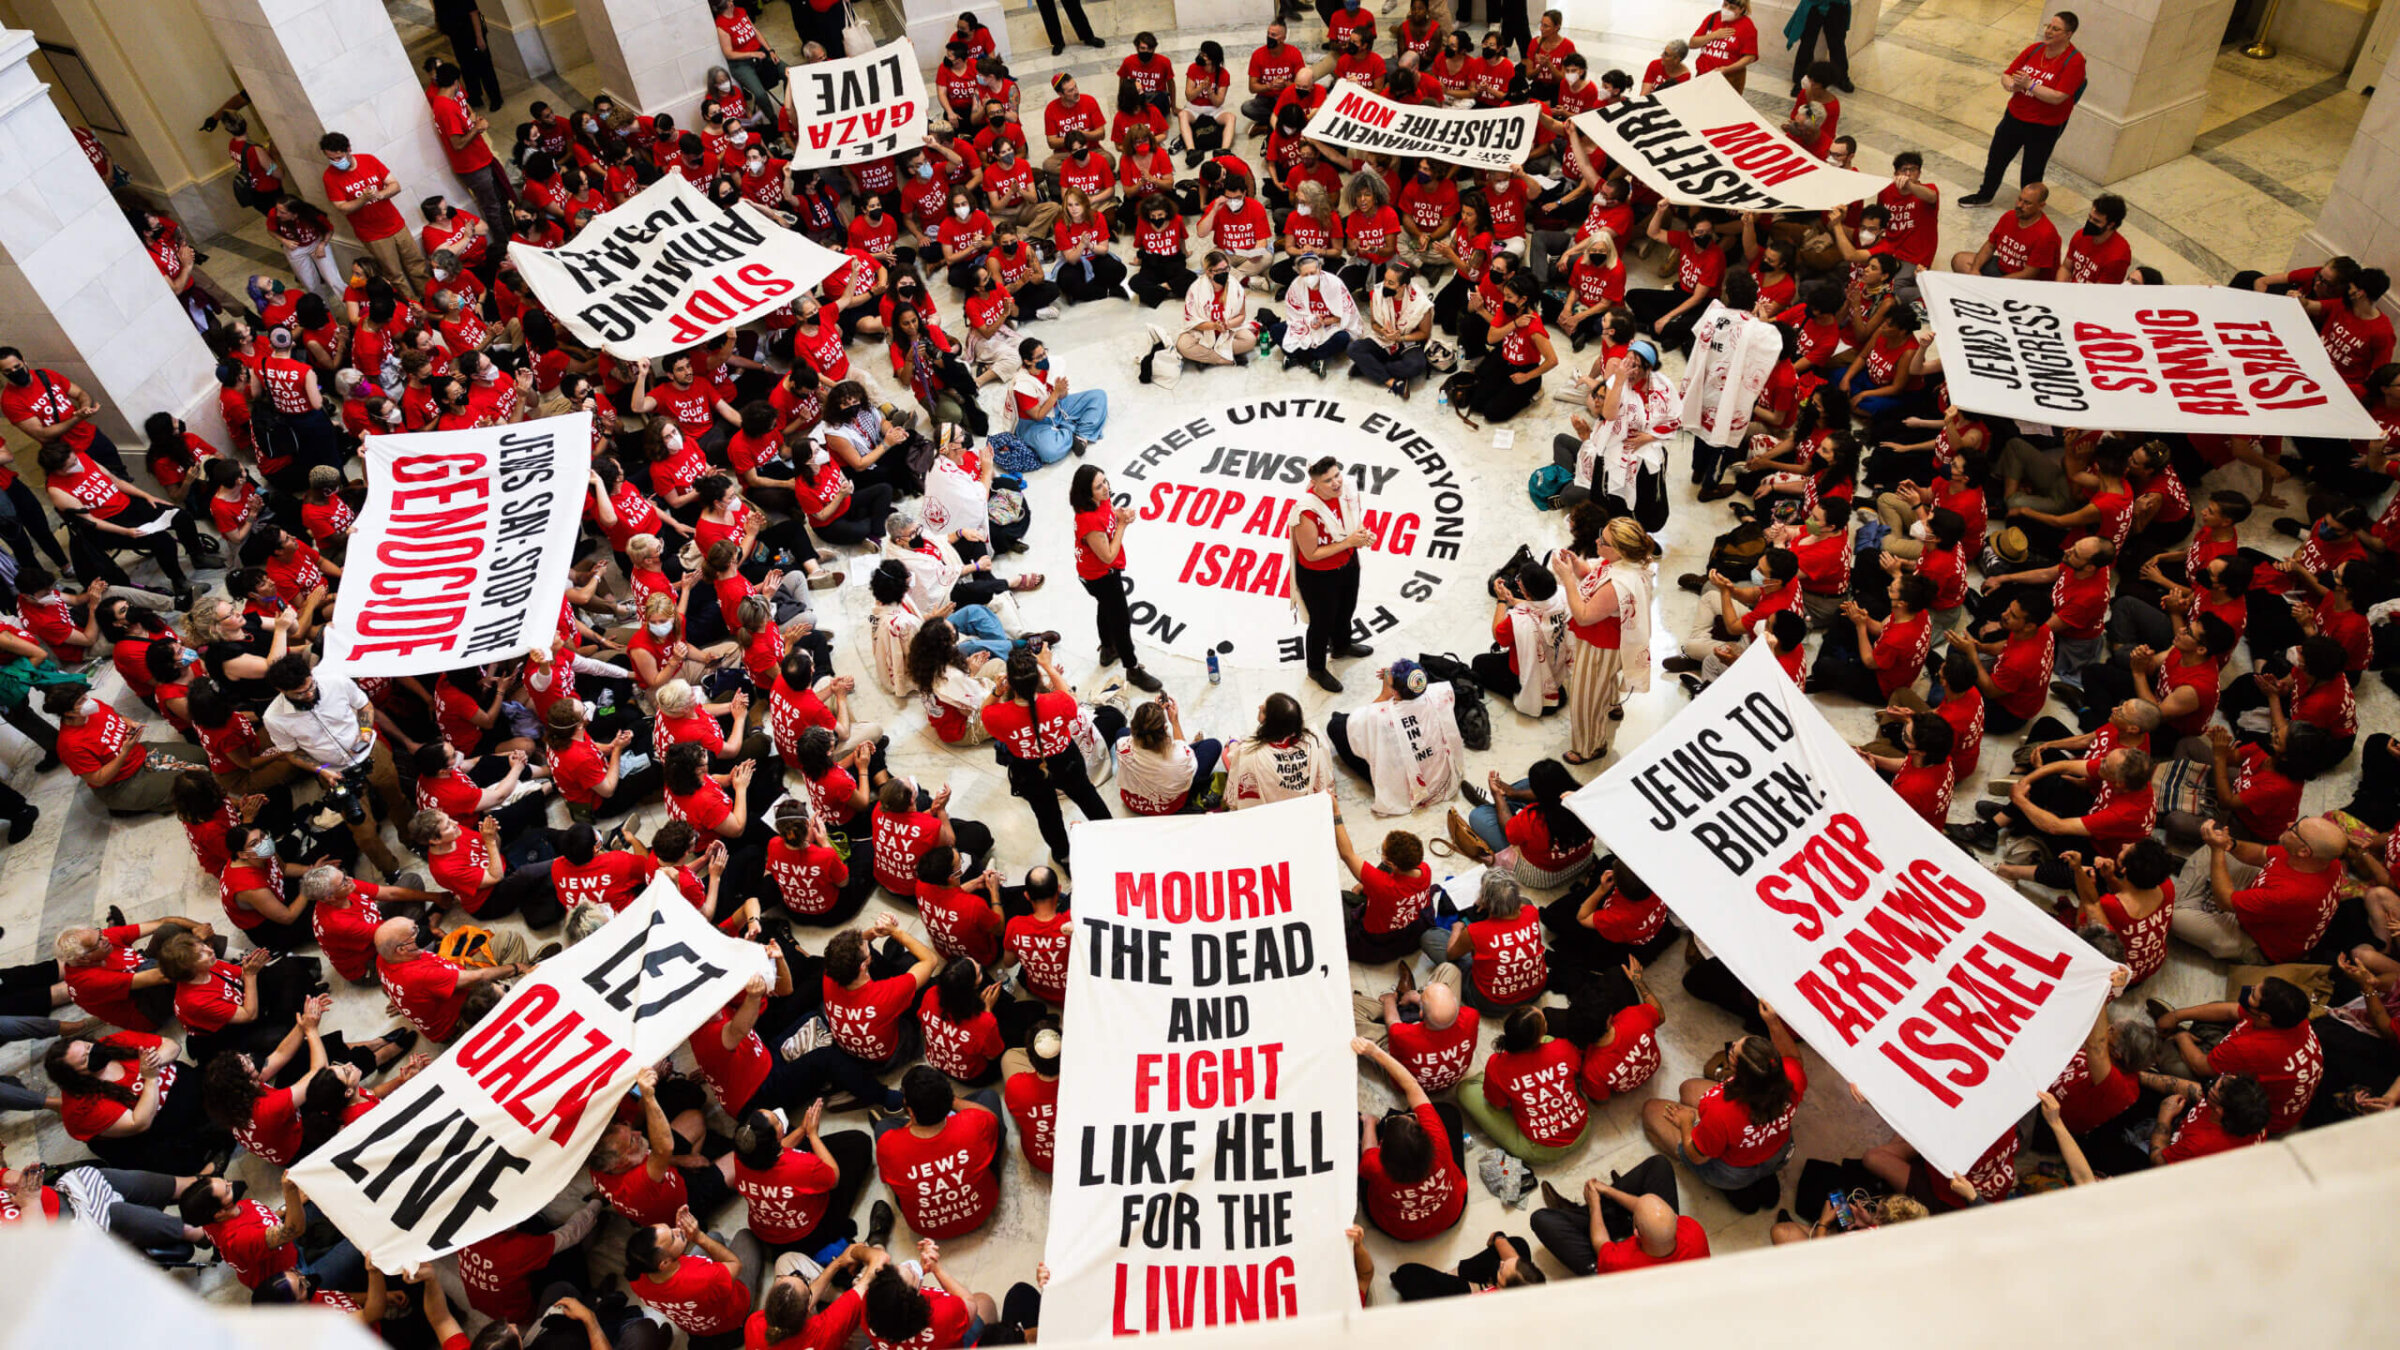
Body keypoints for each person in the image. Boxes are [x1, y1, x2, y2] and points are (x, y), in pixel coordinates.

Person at [1642, 1001, 1805, 1207]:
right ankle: (1757, 1176)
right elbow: (1792, 1056)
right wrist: (1773, 1022)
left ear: (1739, 1074)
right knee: (1688, 1089)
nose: (1732, 1044)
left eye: (1733, 1051)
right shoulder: (1791, 1078)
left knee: (1651, 1111)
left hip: (1732, 1171)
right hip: (1777, 1151)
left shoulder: (1722, 1111)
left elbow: (1697, 1156)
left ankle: (1734, 1187)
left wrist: (1686, 1123)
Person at [981, 644, 1118, 865]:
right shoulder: (1058, 702)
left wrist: (997, 690)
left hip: (1028, 769)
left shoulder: (998, 716)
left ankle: (1063, 855)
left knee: (1047, 815)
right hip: (1066, 760)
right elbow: (1070, 698)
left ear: (1011, 683)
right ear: (1037, 679)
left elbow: (984, 712)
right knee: (1086, 795)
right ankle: (1110, 834)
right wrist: (1048, 666)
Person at [1554, 516, 1657, 765]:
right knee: (1603, 680)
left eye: (1605, 540)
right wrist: (1578, 566)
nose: (1598, 540)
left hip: (1601, 645)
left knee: (1585, 697)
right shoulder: (1629, 563)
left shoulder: (1617, 585)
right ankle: (1612, 705)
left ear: (1620, 550)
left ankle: (1590, 747)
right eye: (1602, 533)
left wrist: (1567, 578)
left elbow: (1584, 614)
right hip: (1614, 640)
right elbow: (1597, 572)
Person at [1961, 11, 2086, 206]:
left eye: (2055, 29)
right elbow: (2007, 74)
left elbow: (2058, 97)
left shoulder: (2075, 61)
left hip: (2044, 126)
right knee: (1997, 158)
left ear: (2068, 34)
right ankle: (1985, 194)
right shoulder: (2035, 49)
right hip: (2015, 116)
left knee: (2032, 170)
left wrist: (2030, 85)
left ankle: (2029, 206)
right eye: (2048, 26)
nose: (2049, 31)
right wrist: (2012, 85)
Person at [1353, 1038, 1467, 1242]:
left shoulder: (1374, 1165)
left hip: (1396, 1229)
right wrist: (1375, 1051)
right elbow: (1412, 1087)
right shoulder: (1438, 1142)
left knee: (1354, 1136)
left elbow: (1368, 1150)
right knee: (1447, 1113)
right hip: (1449, 1215)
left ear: (1383, 1149)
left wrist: (1369, 1122)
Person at [874, 1065, 1005, 1239]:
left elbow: (890, 1181)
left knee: (882, 1126)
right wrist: (952, 1101)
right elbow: (993, 1121)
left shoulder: (888, 1145)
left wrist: (911, 1125)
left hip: (926, 1228)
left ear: (910, 1111)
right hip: (980, 1210)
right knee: (988, 1097)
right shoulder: (973, 1123)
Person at [1069, 464, 1164, 692]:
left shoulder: (1101, 502)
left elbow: (1107, 518)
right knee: (1121, 621)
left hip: (1098, 573)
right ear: (1086, 492)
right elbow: (1108, 556)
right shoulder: (1089, 522)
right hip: (1100, 576)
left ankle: (1108, 648)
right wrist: (1122, 524)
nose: (1106, 488)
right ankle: (1132, 669)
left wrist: (1116, 515)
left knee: (1106, 608)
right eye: (1098, 486)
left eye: (1105, 481)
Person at [1328, 660, 1465, 816]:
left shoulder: (1380, 715)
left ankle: (1339, 718)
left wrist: (1384, 695)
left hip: (1403, 784)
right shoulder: (1438, 694)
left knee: (1337, 725)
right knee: (1349, 722)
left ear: (1395, 692)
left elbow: (1362, 726)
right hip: (1438, 777)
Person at [1530, 1159, 1709, 1275]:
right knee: (1659, 1165)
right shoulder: (1693, 1231)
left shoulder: (1621, 1263)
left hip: (1612, 1265)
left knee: (1541, 1220)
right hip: (1643, 1234)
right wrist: (1610, 1191)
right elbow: (1642, 1205)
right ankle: (1619, 1211)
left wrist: (1595, 1204)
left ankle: (1584, 1212)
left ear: (1636, 1233)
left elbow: (1601, 1244)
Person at [1290, 454, 1375, 692]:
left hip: (1347, 563)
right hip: (1319, 576)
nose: (1336, 482)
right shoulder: (1306, 512)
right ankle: (1315, 668)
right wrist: (1349, 542)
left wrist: (1360, 535)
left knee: (1347, 609)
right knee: (1321, 622)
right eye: (1328, 480)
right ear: (1314, 483)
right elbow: (1310, 554)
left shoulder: (1346, 491)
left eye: (1337, 475)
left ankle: (1342, 646)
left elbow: (1352, 521)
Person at [1011, 338, 1109, 463]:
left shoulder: (1051, 366)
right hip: (1035, 424)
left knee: (1098, 396)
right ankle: (1070, 435)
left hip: (1057, 407)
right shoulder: (1022, 385)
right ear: (1027, 361)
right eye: (1039, 356)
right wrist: (1056, 393)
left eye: (1044, 352)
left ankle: (1081, 437)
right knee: (1049, 452)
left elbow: (1062, 396)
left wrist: (1062, 390)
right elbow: (1038, 416)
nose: (1045, 358)